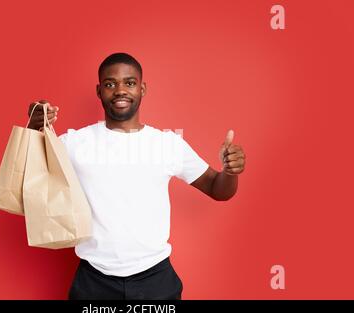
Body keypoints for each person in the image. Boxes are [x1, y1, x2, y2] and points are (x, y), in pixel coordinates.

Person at [26, 53, 246, 300]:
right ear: (99, 91)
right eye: (110, 84)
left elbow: (218, 189)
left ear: (142, 89)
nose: (120, 90)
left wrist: (230, 171)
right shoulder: (74, 143)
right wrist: (35, 129)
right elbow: (28, 179)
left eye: (129, 83)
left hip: (155, 281)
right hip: (93, 281)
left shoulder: (167, 144)